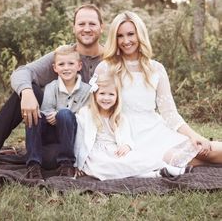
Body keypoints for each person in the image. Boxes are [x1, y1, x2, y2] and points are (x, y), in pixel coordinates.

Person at [94, 11, 222, 176]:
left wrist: (194, 135)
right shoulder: (105, 68)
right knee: (174, 158)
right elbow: (94, 108)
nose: (126, 41)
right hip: (126, 135)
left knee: (207, 150)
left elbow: (169, 113)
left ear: (140, 34)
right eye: (120, 36)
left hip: (155, 131)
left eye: (131, 34)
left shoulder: (156, 68)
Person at [0, 4, 104, 168]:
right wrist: (26, 93)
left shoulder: (110, 59)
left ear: (101, 27)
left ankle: (41, 155)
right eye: (81, 24)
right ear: (74, 28)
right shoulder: (65, 55)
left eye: (92, 24)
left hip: (84, 132)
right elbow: (22, 72)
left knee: (50, 160)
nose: (86, 29)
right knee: (29, 89)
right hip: (54, 124)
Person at [75, 72, 190, 180]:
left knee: (135, 160)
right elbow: (78, 139)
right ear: (95, 95)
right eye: (102, 93)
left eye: (111, 94)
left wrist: (126, 145)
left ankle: (166, 168)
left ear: (117, 97)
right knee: (104, 166)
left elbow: (126, 136)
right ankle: (155, 174)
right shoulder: (86, 113)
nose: (106, 98)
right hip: (96, 154)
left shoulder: (119, 117)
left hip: (115, 149)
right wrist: (77, 164)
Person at [26, 45, 90, 180]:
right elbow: (46, 110)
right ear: (55, 68)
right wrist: (54, 115)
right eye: (61, 64)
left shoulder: (86, 90)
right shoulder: (51, 87)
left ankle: (66, 164)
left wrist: (61, 115)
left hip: (70, 134)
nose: (66, 68)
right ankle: (33, 164)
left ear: (79, 66)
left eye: (71, 63)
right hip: (50, 132)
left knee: (65, 114)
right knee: (34, 116)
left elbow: (85, 115)